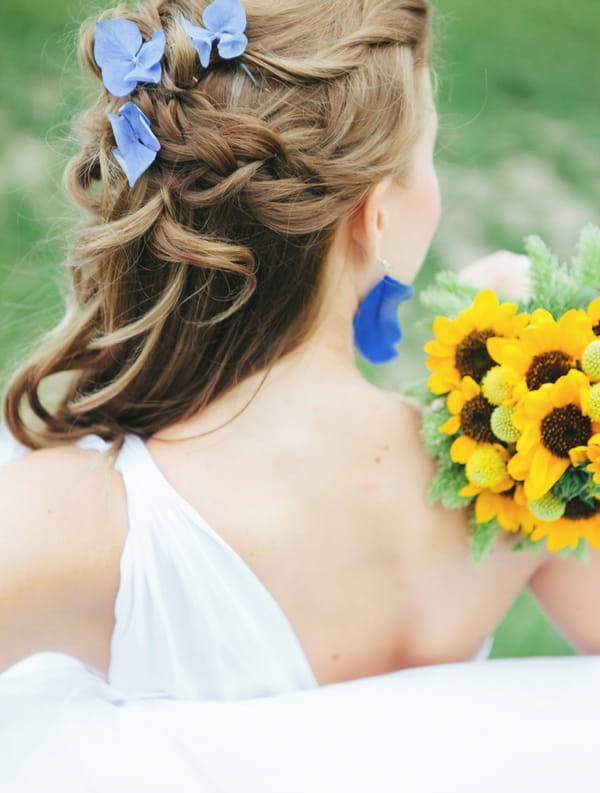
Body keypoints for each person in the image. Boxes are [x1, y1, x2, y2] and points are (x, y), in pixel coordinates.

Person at [0, 0, 599, 702]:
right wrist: (552, 370)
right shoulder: (522, 475)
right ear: (375, 219)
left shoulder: (81, 521)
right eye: (427, 156)